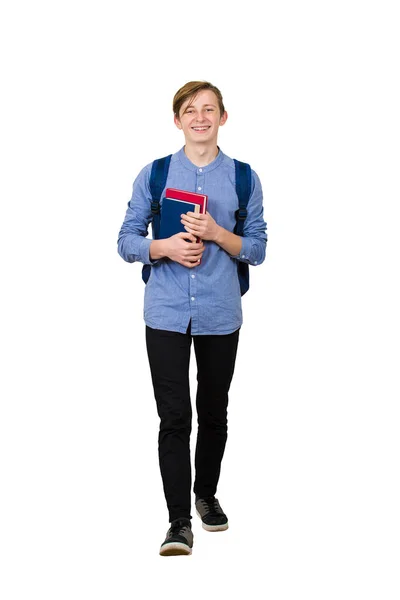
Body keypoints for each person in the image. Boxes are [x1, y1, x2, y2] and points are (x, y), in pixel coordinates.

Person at [117, 81, 267, 556]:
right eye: (189, 110)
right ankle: (178, 521)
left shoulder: (244, 177)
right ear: (177, 120)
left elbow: (258, 248)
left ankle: (206, 496)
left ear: (223, 117)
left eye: (209, 109)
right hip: (164, 311)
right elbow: (125, 240)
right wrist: (162, 247)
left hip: (221, 312)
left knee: (215, 411)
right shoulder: (155, 174)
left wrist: (219, 233)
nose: (199, 117)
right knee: (174, 416)